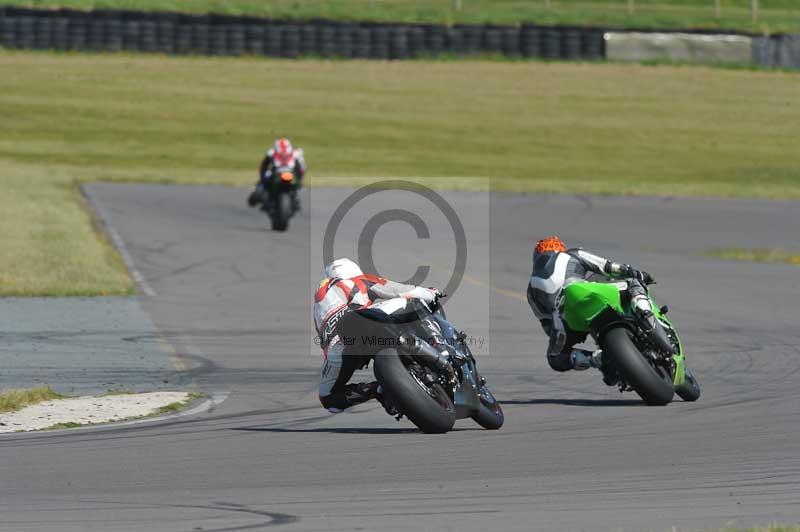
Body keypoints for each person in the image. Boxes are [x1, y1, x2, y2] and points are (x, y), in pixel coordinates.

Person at [314, 258, 445, 413]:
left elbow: (323, 342)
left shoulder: (318, 303)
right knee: (415, 302)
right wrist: (430, 293)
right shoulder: (356, 280)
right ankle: (440, 345)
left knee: (328, 398)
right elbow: (398, 290)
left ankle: (377, 389)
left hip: (339, 347)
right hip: (364, 320)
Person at [527, 235, 659, 384]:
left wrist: (561, 335)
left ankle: (596, 359)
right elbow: (608, 266)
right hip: (588, 293)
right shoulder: (572, 254)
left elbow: (547, 324)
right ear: (560, 249)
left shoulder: (531, 290)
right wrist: (638, 274)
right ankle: (645, 312)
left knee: (555, 358)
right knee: (632, 282)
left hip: (565, 317)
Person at [247, 138, 307, 210]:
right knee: (263, 182)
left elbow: (302, 168)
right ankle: (261, 194)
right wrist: (263, 177)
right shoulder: (271, 153)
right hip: (276, 174)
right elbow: (264, 166)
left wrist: (299, 179)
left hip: (290, 175)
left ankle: (295, 198)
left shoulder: (296, 154)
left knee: (297, 186)